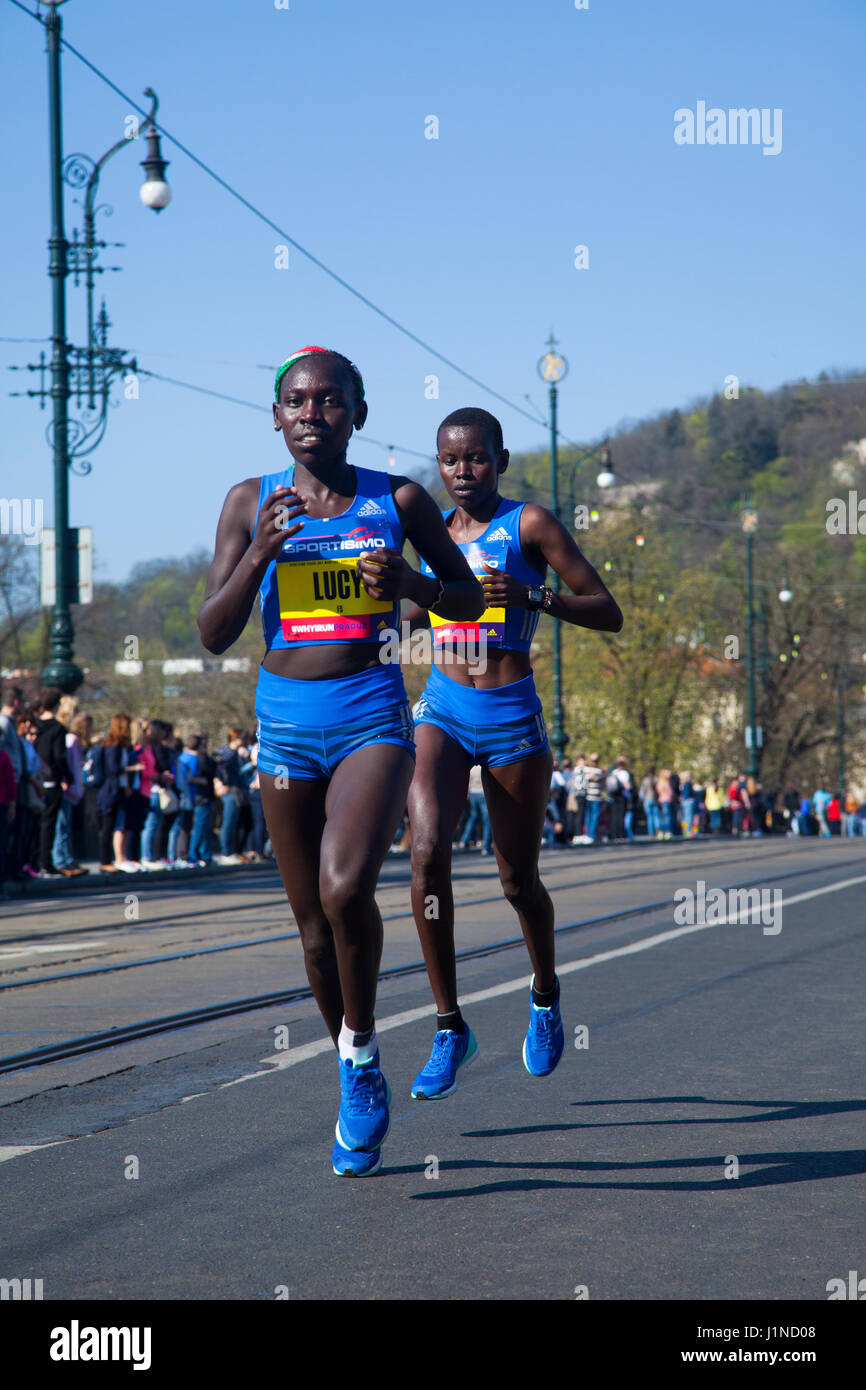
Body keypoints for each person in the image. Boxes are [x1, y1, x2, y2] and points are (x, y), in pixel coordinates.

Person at [197, 345, 482, 1177]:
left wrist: (415, 584)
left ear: (356, 414)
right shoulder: (251, 501)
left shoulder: (397, 499)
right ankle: (357, 1061)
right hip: (284, 729)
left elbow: (467, 598)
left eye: (329, 402)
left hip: (370, 719)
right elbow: (212, 633)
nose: (311, 414)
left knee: (345, 885)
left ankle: (360, 1065)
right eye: (296, 401)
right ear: (276, 417)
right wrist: (259, 555)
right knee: (315, 935)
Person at [406, 405, 622, 1102]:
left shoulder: (529, 525)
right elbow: (412, 610)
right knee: (426, 848)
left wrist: (534, 594)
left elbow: (606, 609)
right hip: (443, 704)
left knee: (516, 881)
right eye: (448, 459)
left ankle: (545, 993)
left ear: (499, 460)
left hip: (509, 713)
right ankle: (448, 1026)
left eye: (474, 458)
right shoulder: (432, 531)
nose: (461, 471)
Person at [33, 688, 73, 877]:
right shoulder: (57, 729)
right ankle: (46, 864)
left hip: (36, 780)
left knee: (37, 824)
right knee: (49, 825)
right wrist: (67, 776)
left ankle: (35, 863)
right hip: (52, 781)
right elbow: (59, 756)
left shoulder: (35, 726)